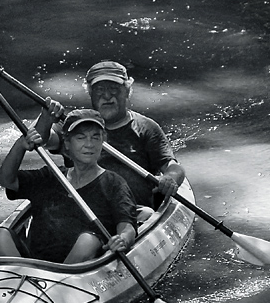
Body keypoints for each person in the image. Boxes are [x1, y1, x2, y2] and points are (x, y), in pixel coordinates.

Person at [0, 107, 137, 264]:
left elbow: (127, 225)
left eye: (95, 137)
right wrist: (20, 146)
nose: (89, 144)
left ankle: (52, 283)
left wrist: (122, 239)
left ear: (103, 141)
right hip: (32, 265)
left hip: (79, 269)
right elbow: (6, 180)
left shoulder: (114, 183)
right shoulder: (50, 176)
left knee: (88, 241)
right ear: (67, 143)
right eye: (80, 138)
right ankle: (18, 275)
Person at [37, 60, 186, 211]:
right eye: (100, 90)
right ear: (90, 93)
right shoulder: (73, 124)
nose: (107, 96)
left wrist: (170, 178)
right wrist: (45, 119)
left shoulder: (146, 127)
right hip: (82, 212)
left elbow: (173, 166)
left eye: (114, 89)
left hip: (133, 214)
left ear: (127, 91)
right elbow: (39, 140)